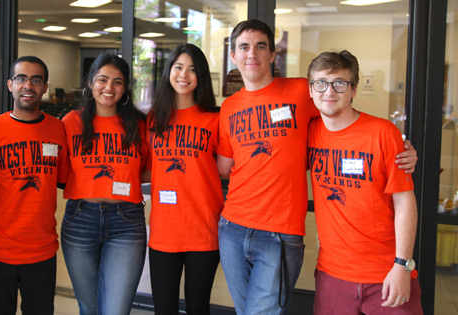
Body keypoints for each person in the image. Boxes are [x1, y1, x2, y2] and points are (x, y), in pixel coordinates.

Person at [216, 19, 418, 314]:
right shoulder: (230, 106)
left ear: (273, 54)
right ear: (232, 55)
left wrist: (400, 147)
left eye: (261, 46)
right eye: (244, 47)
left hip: (279, 233)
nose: (252, 54)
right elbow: (226, 165)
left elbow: (342, 115)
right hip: (233, 225)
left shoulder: (302, 90)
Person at [307, 50, 423, 314]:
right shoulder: (308, 131)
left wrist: (402, 265)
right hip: (331, 275)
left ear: (354, 90)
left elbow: (404, 201)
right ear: (311, 89)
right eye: (321, 82)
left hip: (386, 274)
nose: (329, 91)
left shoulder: (383, 134)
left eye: (340, 83)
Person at [0, 56, 69, 314]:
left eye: (36, 80)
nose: (28, 85)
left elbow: (64, 180)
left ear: (45, 87)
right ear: (10, 85)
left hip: (41, 250)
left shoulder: (57, 129)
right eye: (21, 78)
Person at [60, 54, 148, 315]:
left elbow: (148, 171)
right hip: (80, 219)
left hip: (127, 223)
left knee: (116, 310)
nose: (109, 88)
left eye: (117, 82)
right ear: (90, 83)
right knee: (89, 307)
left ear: (125, 88)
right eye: (102, 79)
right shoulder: (71, 122)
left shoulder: (139, 125)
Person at [146, 43, 222, 314]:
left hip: (203, 227)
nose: (184, 74)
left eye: (192, 69)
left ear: (200, 75)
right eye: (178, 67)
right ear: (169, 71)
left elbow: (225, 169)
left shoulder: (215, 119)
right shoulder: (155, 118)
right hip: (164, 229)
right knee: (163, 308)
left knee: (198, 306)